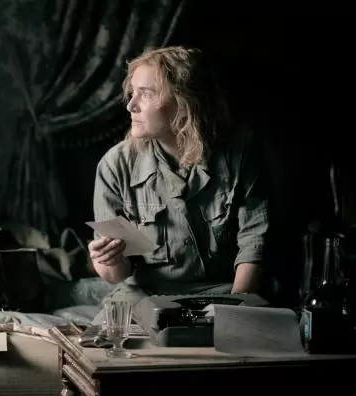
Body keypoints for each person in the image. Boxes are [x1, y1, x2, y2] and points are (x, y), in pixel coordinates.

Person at [88, 45, 271, 310]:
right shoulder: (115, 165)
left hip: (226, 291)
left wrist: (230, 311)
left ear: (184, 102)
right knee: (127, 324)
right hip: (147, 296)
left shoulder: (241, 152)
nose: (131, 105)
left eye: (146, 94)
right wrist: (107, 259)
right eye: (132, 93)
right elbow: (117, 275)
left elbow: (254, 244)